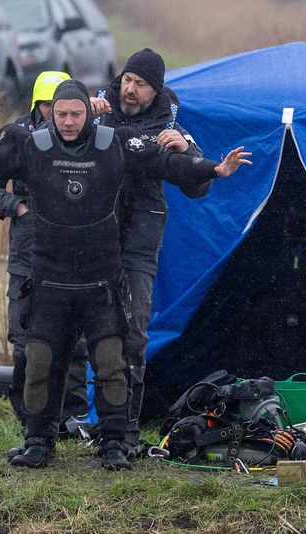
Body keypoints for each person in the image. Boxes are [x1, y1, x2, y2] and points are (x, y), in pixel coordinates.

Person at [0, 79, 252, 470]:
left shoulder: (113, 142)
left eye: (75, 114)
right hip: (49, 279)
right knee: (41, 363)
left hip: (101, 280)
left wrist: (214, 169)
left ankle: (114, 443)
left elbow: (164, 161)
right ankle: (37, 441)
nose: (67, 121)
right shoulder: (30, 145)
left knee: (112, 364)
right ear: (52, 113)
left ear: (89, 111)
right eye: (61, 113)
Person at [91, 48, 210, 456]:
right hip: (91, 243)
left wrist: (185, 152)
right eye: (127, 79)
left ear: (154, 90)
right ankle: (74, 424)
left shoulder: (170, 126)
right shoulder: (96, 110)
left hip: (138, 247)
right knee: (85, 335)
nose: (130, 88)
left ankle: (125, 433)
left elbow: (199, 184)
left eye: (140, 84)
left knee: (133, 335)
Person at [0, 71, 94, 436]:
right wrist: (17, 207)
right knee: (25, 341)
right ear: (38, 106)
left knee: (75, 342)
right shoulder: (16, 136)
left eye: (60, 109)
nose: (55, 116)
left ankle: (72, 416)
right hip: (27, 255)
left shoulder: (88, 139)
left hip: (74, 255)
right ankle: (29, 417)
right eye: (46, 107)